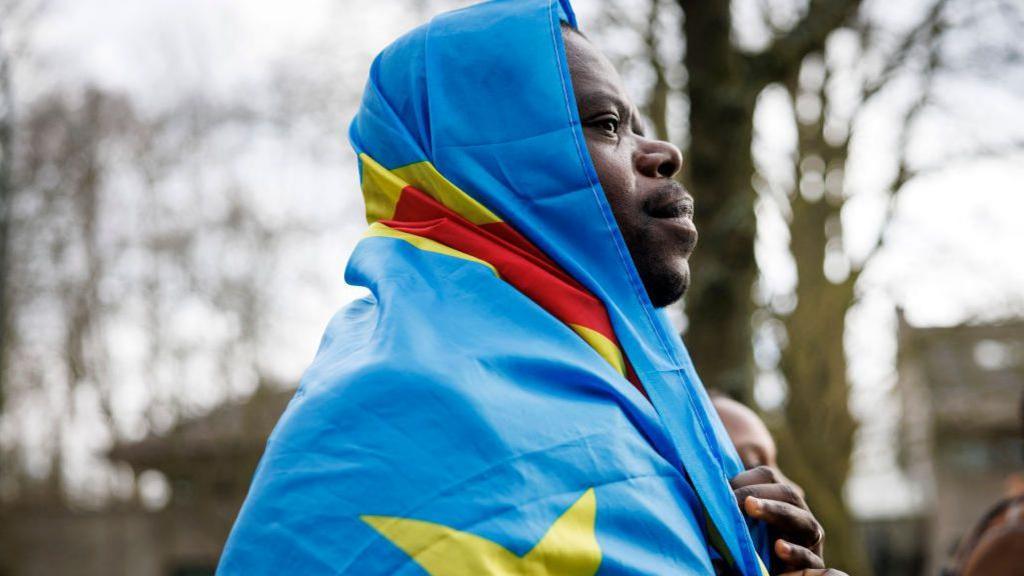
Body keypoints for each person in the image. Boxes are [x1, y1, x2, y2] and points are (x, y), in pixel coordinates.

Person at [219, 1, 843, 574]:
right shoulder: (384, 410)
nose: (664, 152)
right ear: (494, 168)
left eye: (637, 124)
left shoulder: (654, 425)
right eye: (605, 126)